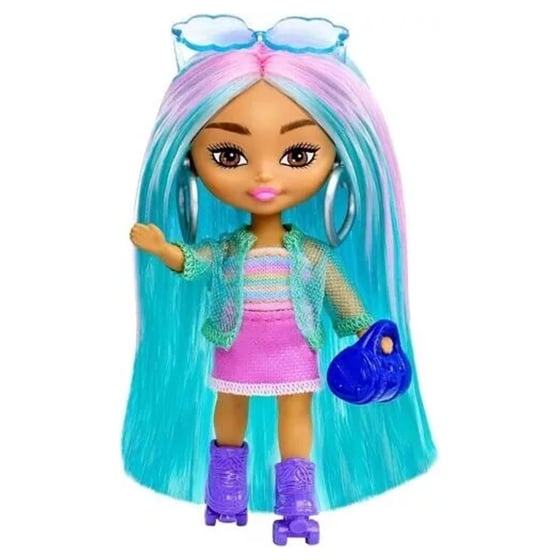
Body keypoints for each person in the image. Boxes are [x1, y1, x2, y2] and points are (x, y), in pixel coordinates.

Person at [123, 15, 436, 546]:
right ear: (191, 162)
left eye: (297, 155)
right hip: (237, 344)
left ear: (338, 159)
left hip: (294, 348)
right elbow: (195, 262)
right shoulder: (229, 249)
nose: (265, 175)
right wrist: (164, 249)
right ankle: (226, 495)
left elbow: (343, 302)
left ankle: (297, 506)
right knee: (230, 410)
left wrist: (368, 332)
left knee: (296, 417)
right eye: (229, 155)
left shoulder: (311, 254)